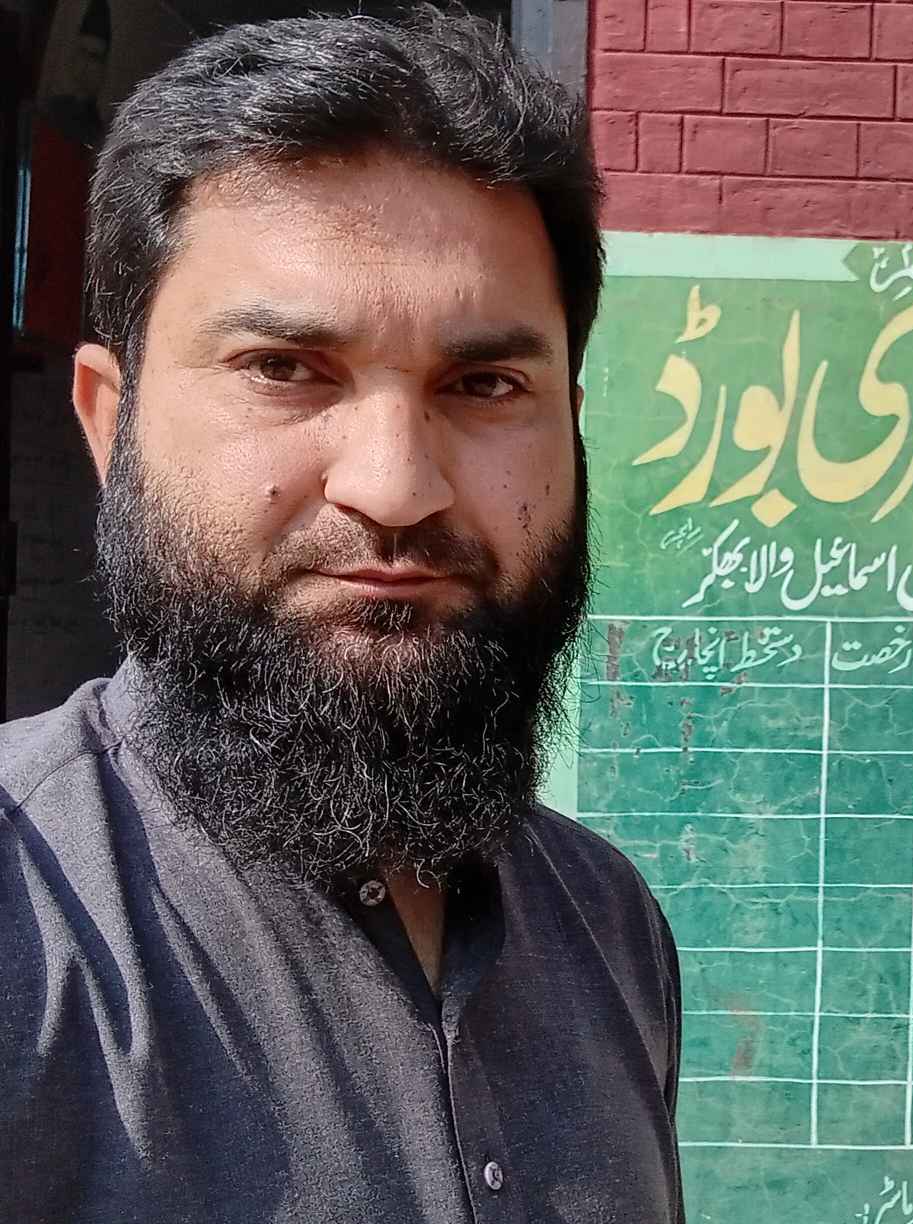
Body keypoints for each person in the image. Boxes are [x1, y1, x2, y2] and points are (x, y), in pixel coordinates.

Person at [0, 8, 684, 1222]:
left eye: (485, 385)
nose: (397, 486)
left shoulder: (607, 926)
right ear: (111, 423)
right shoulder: (25, 906)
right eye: (284, 369)